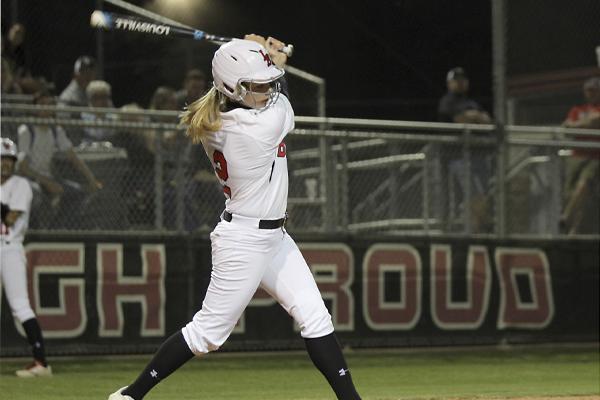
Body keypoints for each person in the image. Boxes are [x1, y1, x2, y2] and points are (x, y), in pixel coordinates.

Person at [108, 35, 362, 400]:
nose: (267, 90)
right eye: (257, 86)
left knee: (315, 316)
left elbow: (269, 89)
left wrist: (263, 59)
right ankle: (131, 395)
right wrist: (276, 59)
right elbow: (283, 102)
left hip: (274, 238)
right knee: (207, 333)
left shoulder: (230, 113)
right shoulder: (254, 129)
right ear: (233, 89)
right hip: (243, 241)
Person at [1, 138, 52, 378]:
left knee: (20, 306)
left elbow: (10, 218)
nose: (5, 165)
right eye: (1, 159)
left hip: (9, 248)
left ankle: (41, 363)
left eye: (9, 160)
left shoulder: (20, 185)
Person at [17, 90, 102, 228]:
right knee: (35, 193)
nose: (46, 108)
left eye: (49, 104)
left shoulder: (56, 130)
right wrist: (47, 183)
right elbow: (23, 168)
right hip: (30, 179)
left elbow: (73, 157)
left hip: (49, 177)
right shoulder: (27, 130)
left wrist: (91, 179)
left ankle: (56, 229)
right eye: (42, 104)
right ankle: (33, 232)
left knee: (77, 193)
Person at [438, 67, 493, 233]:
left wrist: (474, 116)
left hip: (478, 155)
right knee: (472, 195)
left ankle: (475, 232)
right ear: (449, 83)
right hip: (457, 157)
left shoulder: (472, 103)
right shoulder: (447, 101)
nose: (460, 83)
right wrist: (474, 117)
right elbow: (458, 119)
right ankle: (478, 229)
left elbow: (487, 122)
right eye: (457, 80)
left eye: (463, 79)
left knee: (483, 195)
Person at [560, 76, 600, 234]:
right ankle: (572, 230)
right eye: (588, 91)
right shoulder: (578, 110)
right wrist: (582, 125)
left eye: (594, 91)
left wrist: (577, 126)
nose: (591, 94)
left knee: (584, 185)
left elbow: (595, 121)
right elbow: (566, 126)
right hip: (577, 155)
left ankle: (566, 217)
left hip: (595, 156)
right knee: (571, 193)